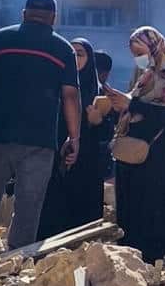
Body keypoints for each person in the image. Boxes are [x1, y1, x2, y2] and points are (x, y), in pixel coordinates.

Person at [0, 0, 81, 248]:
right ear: (54, 18)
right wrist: (74, 137)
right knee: (29, 205)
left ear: (24, 14)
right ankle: (17, 262)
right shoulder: (62, 49)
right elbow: (70, 96)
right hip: (39, 142)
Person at [114, 25, 165, 261]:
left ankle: (153, 256)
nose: (138, 58)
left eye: (140, 52)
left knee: (153, 206)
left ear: (154, 48)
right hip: (134, 151)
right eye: (134, 54)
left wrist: (130, 105)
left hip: (158, 155)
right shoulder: (144, 77)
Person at [35, 38, 119, 239]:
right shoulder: (53, 86)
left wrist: (98, 121)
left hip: (87, 165)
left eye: (79, 54)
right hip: (55, 159)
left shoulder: (100, 93)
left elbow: (110, 134)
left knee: (83, 216)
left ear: (89, 59)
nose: (74, 59)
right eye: (71, 54)